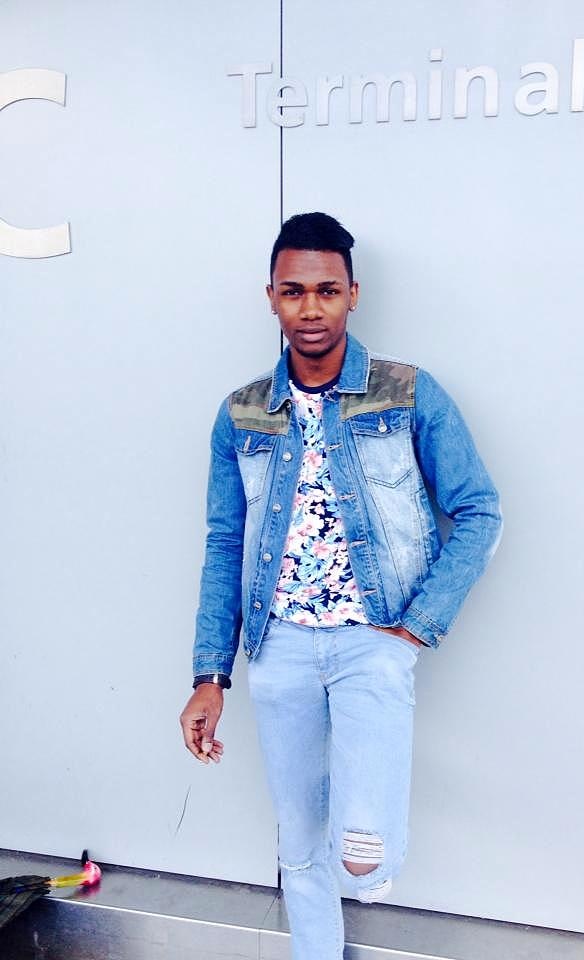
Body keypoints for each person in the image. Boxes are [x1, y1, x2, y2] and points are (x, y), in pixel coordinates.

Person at [179, 212, 502, 960]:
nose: (311, 308)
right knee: (298, 840)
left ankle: (369, 857)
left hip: (371, 640)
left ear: (353, 293)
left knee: (363, 853)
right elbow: (224, 546)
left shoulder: (407, 393)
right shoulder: (242, 413)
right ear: (271, 297)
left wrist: (415, 627)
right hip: (278, 646)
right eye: (294, 291)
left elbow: (479, 511)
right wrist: (209, 677)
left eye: (327, 290)